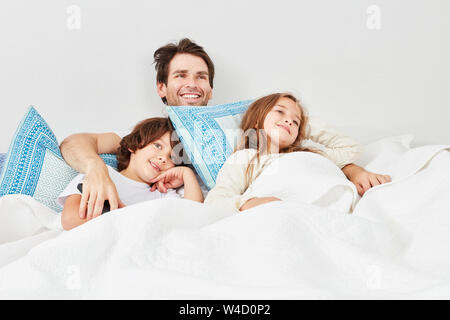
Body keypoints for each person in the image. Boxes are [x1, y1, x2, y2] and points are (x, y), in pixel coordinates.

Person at [60, 38, 389, 220]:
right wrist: (96, 169)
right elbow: (75, 142)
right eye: (181, 76)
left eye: (201, 77)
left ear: (211, 90)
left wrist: (349, 168)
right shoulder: (146, 137)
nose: (193, 84)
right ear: (161, 88)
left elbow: (294, 142)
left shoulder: (242, 130)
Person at [204, 93, 391, 212]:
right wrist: (245, 204)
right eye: (280, 112)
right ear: (256, 120)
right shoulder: (246, 158)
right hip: (281, 210)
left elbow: (352, 149)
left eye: (296, 122)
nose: (289, 122)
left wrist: (305, 124)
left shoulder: (310, 156)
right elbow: (215, 201)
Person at [58, 117, 203, 230]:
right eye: (158, 145)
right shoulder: (103, 175)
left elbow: (192, 217)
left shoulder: (163, 194)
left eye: (172, 158)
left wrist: (186, 174)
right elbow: (70, 218)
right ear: (135, 145)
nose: (163, 158)